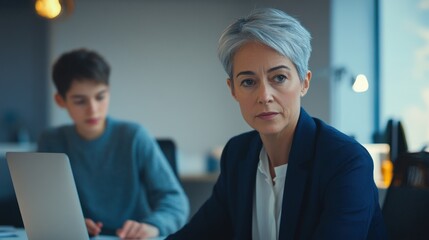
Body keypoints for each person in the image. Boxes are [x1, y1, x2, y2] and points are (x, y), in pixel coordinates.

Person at [167, 8, 387, 240]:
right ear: (233, 90)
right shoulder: (238, 155)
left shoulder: (345, 161)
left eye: (279, 78)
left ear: (304, 82)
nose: (264, 95)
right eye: (249, 82)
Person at [38, 48, 189, 239]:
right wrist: (66, 224)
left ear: (108, 93)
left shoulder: (134, 136)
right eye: (79, 101)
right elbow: (44, 207)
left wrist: (153, 226)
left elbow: (175, 200)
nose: (93, 110)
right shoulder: (51, 141)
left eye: (100, 97)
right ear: (61, 100)